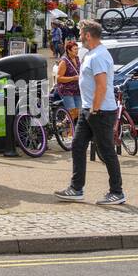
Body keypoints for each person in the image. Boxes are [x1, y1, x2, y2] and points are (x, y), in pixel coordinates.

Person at [55, 19, 125, 206]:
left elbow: (102, 86)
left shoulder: (99, 56)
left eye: (80, 34)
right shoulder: (92, 54)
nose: (79, 38)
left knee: (106, 151)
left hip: (100, 111)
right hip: (88, 109)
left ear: (87, 35)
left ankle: (117, 191)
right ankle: (76, 188)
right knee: (78, 146)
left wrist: (94, 108)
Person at [54, 38, 81, 124]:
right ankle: (69, 133)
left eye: (77, 49)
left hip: (76, 89)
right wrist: (73, 78)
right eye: (75, 49)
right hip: (66, 90)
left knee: (78, 112)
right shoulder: (64, 61)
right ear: (69, 51)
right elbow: (58, 78)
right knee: (72, 112)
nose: (77, 51)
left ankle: (65, 126)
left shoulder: (77, 59)